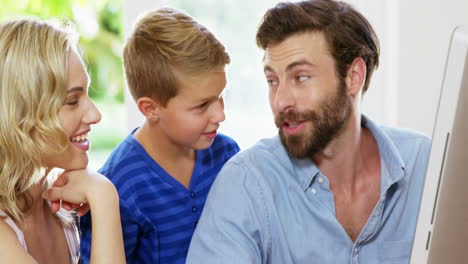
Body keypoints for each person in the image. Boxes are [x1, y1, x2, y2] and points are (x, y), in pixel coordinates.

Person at [186, 0, 431, 263]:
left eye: (300, 77)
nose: (280, 102)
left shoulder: (427, 164)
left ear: (353, 76)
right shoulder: (244, 185)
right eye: (272, 81)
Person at [79, 7, 240, 264]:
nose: (220, 115)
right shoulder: (120, 183)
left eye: (221, 97)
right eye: (202, 105)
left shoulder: (228, 155)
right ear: (150, 109)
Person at [0, 19, 125, 263]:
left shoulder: (61, 209)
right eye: (72, 101)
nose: (95, 115)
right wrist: (104, 195)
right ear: (19, 115)